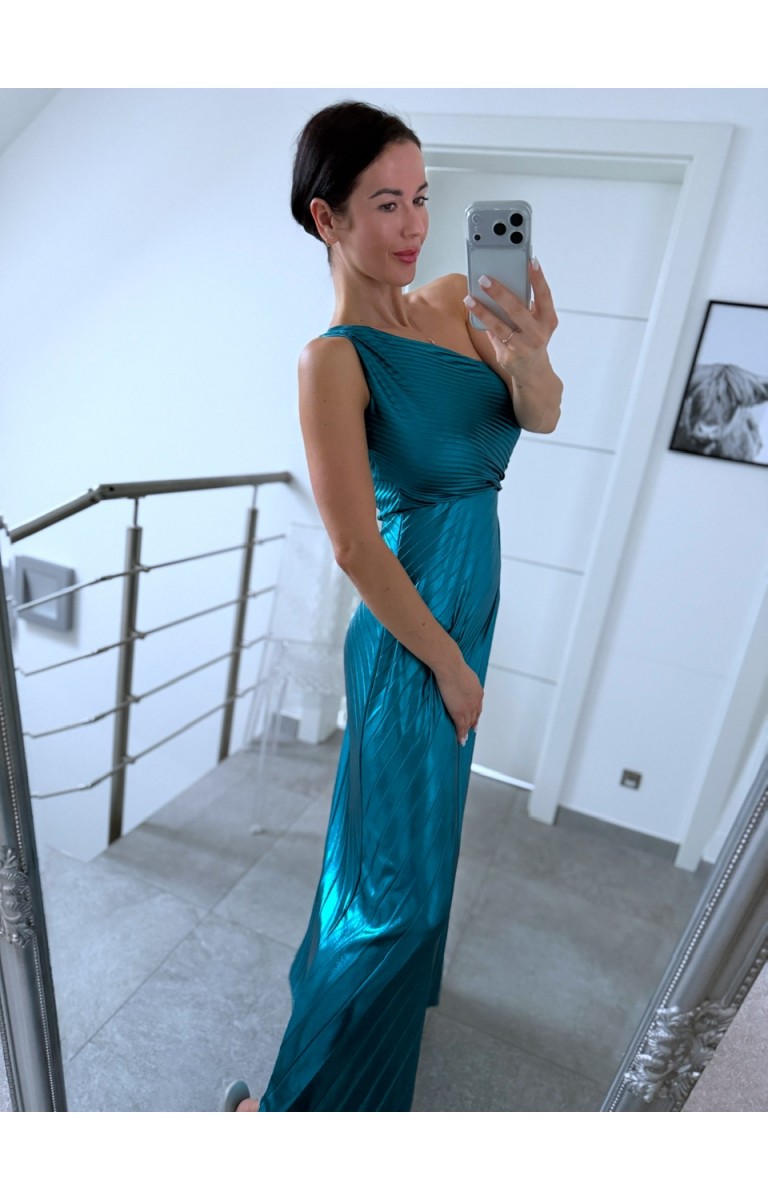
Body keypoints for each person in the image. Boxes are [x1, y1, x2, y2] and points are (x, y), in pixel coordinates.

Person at [228, 100, 561, 1112]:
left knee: (405, 863)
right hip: (412, 636)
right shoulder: (332, 360)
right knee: (393, 901)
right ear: (326, 218)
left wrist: (533, 353)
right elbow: (354, 546)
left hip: (467, 610)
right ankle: (279, 1117)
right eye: (386, 204)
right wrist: (449, 667)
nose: (416, 225)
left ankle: (360, 1060)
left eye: (421, 198)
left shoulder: (461, 298)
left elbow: (542, 415)